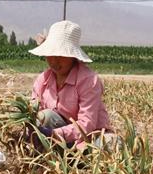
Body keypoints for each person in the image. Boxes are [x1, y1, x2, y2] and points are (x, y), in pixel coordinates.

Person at [28, 20, 112, 148]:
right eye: (51, 54)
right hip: (58, 141)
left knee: (111, 144)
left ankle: (80, 160)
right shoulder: (43, 80)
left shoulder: (88, 80)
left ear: (73, 56)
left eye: (60, 55)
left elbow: (87, 124)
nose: (54, 61)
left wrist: (54, 134)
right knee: (45, 116)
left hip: (88, 139)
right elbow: (34, 112)